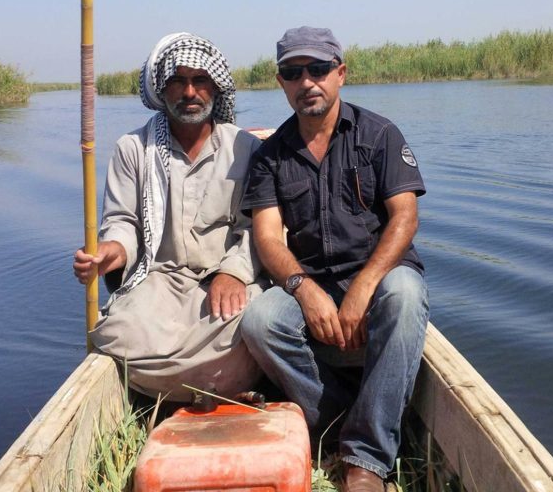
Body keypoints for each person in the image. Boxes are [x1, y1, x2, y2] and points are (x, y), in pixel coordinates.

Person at [241, 26, 429, 491]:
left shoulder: (379, 134)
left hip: (380, 273)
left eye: (319, 69)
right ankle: (347, 420)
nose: (307, 82)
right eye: (293, 72)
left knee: (405, 296)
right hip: (313, 280)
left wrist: (364, 286)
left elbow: (404, 218)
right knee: (260, 321)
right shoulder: (270, 156)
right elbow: (268, 239)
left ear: (340, 74)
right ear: (281, 82)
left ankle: (365, 462)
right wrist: (305, 292)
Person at [72, 32, 264, 402]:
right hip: (160, 281)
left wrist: (233, 272)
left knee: (259, 323)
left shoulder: (246, 148)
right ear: (162, 89)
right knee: (114, 330)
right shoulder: (134, 149)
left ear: (215, 88)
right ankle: (216, 384)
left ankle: (178, 385)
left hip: (224, 282)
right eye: (178, 81)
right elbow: (123, 222)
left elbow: (256, 229)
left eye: (199, 81)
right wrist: (109, 252)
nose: (189, 92)